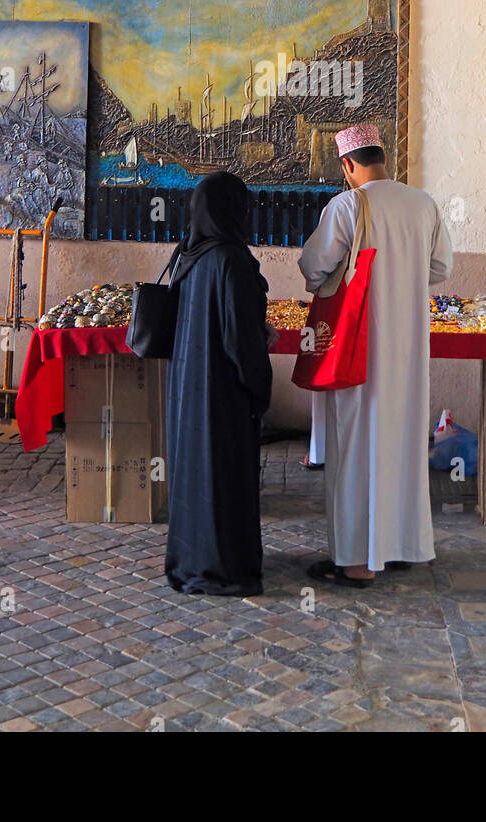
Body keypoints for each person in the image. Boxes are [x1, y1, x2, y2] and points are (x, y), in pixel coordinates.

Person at [298, 124, 453, 586]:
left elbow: (313, 267)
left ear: (348, 165)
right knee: (402, 448)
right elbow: (441, 267)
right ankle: (402, 548)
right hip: (407, 352)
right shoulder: (423, 204)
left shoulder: (347, 205)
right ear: (383, 157)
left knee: (356, 450)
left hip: (359, 349)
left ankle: (357, 563)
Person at [164, 171, 273, 596]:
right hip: (221, 392)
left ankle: (194, 559)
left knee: (194, 475)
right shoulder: (231, 260)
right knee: (224, 476)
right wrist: (259, 385)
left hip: (188, 388)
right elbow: (239, 340)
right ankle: (225, 567)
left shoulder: (187, 257)